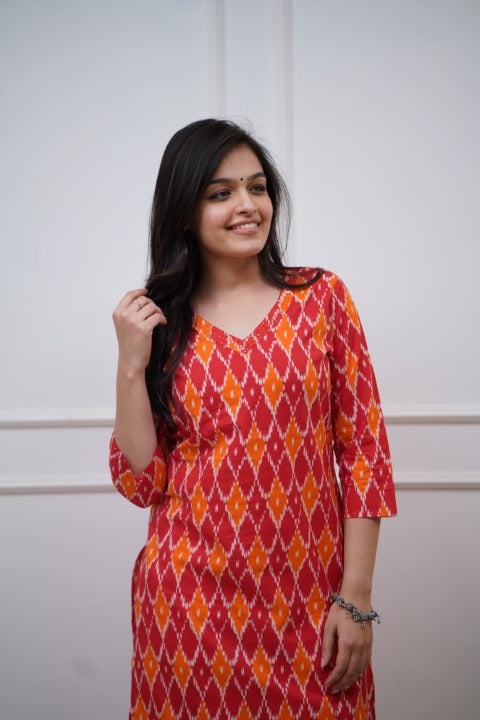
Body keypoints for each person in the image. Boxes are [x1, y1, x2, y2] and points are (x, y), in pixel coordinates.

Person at [109, 118, 397, 720]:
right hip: (189, 611)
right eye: (221, 192)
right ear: (184, 213)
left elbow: (365, 453)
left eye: (257, 187)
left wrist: (356, 598)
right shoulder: (161, 323)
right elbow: (142, 483)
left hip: (311, 603)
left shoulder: (320, 299)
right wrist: (131, 366)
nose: (247, 205)